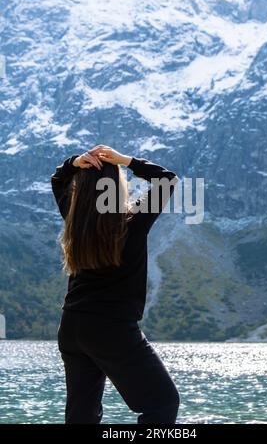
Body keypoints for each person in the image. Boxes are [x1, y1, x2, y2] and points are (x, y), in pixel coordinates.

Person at [50, 144, 180, 424]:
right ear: (116, 187)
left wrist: (74, 163)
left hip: (72, 326)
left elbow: (58, 180)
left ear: (81, 191)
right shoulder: (131, 223)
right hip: (112, 328)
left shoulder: (75, 222)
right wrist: (126, 160)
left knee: (81, 415)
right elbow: (167, 179)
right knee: (163, 404)